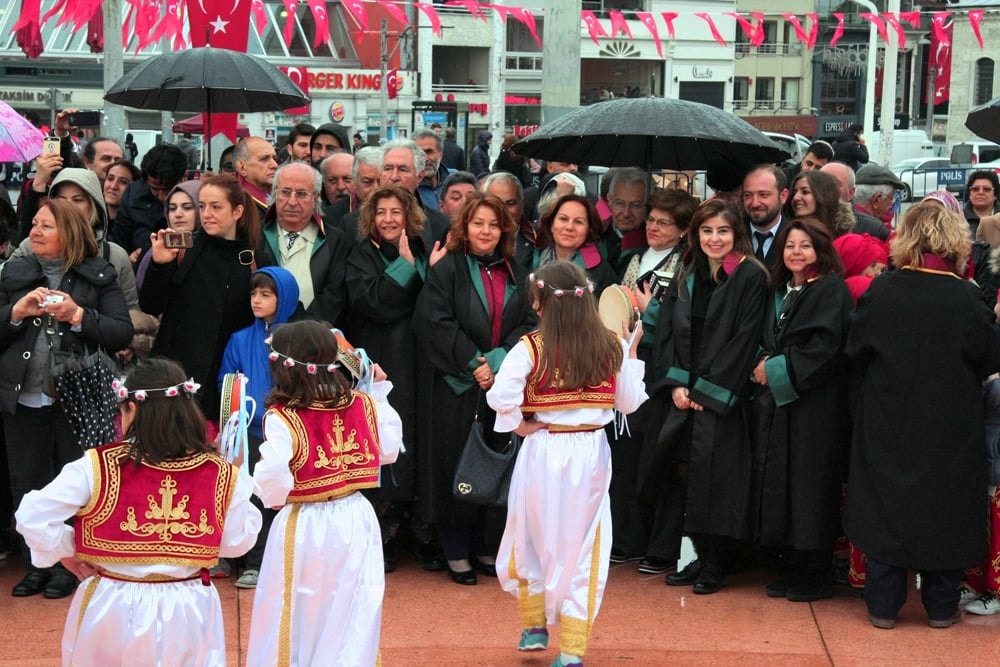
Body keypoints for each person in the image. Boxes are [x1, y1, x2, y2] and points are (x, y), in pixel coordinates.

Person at [14, 358, 261, 665]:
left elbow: (31, 515)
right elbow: (237, 542)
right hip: (188, 607)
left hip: (111, 604)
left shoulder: (97, 466)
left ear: (132, 408)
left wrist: (68, 550)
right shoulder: (221, 473)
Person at [844, 203, 1000, 629]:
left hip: (889, 415)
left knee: (885, 507)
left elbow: (856, 350)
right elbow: (989, 357)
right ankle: (942, 607)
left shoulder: (884, 290)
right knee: (945, 511)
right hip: (950, 423)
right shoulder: (967, 297)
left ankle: (882, 605)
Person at [486, 261, 647, 667]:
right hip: (590, 456)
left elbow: (500, 396)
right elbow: (627, 403)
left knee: (531, 535)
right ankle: (572, 649)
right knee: (584, 546)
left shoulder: (530, 347)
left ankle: (535, 627)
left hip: (542, 448)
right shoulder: (610, 346)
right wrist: (632, 352)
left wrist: (518, 425)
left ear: (540, 302)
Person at [246, 321, 401, 667]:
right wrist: (379, 391)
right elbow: (389, 450)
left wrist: (268, 494)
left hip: (304, 524)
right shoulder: (363, 404)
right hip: (357, 518)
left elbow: (272, 480)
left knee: (296, 610)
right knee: (351, 609)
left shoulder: (283, 417)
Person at [0, 198, 134, 599]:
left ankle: (69, 567)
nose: (35, 232)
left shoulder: (99, 276)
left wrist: (78, 315)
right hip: (22, 397)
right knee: (27, 482)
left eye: (46, 226)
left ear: (70, 233)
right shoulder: (14, 274)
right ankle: (36, 562)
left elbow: (121, 333)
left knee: (73, 484)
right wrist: (15, 314)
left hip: (79, 399)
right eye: (35, 225)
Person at [412, 193, 537, 585]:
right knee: (457, 462)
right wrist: (475, 364)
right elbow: (435, 321)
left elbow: (529, 321)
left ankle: (487, 545)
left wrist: (498, 362)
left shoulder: (517, 270)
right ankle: (455, 549)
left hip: (503, 384)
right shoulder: (448, 269)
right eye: (478, 223)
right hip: (455, 385)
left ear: (505, 230)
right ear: (464, 227)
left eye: (494, 224)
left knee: (498, 462)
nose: (485, 231)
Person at [645, 199, 768, 595]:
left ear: (737, 235)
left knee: (720, 479)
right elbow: (667, 329)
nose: (714, 239)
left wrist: (706, 391)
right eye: (707, 231)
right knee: (685, 475)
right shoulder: (688, 269)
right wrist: (677, 384)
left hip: (722, 396)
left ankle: (717, 562)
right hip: (685, 390)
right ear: (695, 234)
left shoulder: (749, 276)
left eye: (723, 231)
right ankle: (697, 555)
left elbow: (745, 340)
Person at [749, 218, 853, 602]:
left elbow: (825, 350)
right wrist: (759, 360)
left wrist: (772, 369)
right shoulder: (782, 290)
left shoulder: (830, 290)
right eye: (790, 245)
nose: (796, 252)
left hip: (815, 409)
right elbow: (763, 337)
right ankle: (794, 569)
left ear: (820, 251)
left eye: (805, 246)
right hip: (783, 406)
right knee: (787, 486)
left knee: (811, 489)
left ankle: (815, 575)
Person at [345, 184, 447, 572]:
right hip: (384, 360)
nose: (388, 219)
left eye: (396, 212)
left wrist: (431, 275)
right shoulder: (360, 255)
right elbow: (372, 303)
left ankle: (419, 527)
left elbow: (432, 303)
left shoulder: (423, 250)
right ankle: (385, 528)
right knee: (386, 440)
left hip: (421, 360)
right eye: (381, 212)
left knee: (420, 439)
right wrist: (403, 269)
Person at [614, 187, 698, 574]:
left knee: (660, 459)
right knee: (626, 454)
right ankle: (629, 538)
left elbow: (684, 322)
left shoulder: (687, 265)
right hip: (625, 362)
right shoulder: (632, 257)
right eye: (651, 220)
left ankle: (660, 546)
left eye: (664, 223)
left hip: (662, 370)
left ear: (683, 230)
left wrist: (651, 312)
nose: (653, 227)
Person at [139, 174, 258, 424]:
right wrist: (159, 265)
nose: (207, 214)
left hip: (225, 380)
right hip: (175, 376)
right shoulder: (182, 246)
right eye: (202, 206)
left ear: (237, 211)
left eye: (216, 207)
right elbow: (151, 304)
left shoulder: (251, 258)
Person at [217, 266, 301, 589]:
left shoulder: (298, 338)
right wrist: (241, 411)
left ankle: (271, 561)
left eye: (266, 294)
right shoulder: (239, 339)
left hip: (287, 431)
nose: (256, 300)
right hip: (249, 431)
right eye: (254, 293)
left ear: (285, 298)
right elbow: (227, 382)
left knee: (279, 496)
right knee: (249, 494)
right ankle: (247, 558)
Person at [256, 162, 350, 326]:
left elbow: (334, 295)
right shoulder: (256, 234)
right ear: (275, 194)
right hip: (261, 330)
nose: (292, 202)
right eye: (285, 192)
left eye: (301, 194)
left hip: (315, 335)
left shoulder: (335, 239)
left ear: (315, 198)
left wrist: (302, 329)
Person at [109, 143, 188, 255]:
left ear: (184, 177)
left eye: (168, 189)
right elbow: (119, 241)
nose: (162, 196)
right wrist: (128, 259)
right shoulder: (133, 194)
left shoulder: (195, 198)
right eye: (154, 189)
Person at [533, 193, 617, 295]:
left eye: (578, 222)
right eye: (563, 219)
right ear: (551, 224)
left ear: (589, 230)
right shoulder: (535, 259)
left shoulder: (600, 273)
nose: (569, 227)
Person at [820, 161, 890, 240]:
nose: (825, 188)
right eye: (820, 182)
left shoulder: (875, 230)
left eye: (835, 183)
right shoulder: (805, 221)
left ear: (851, 192)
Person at [743, 164, 790, 270]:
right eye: (748, 195)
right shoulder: (732, 233)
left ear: (783, 196)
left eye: (763, 195)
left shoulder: (795, 235)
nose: (755, 203)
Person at [783, 170, 854, 238]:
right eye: (794, 193)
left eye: (805, 192)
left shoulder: (844, 240)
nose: (796, 197)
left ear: (823, 195)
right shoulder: (783, 232)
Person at [234, 136, 278, 219]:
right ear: (242, 167)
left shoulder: (281, 196)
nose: (275, 165)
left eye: (274, 158)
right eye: (264, 159)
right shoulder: (236, 206)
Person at [413, 128, 450, 211]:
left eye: (429, 152)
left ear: (440, 155)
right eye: (420, 153)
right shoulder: (409, 186)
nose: (425, 158)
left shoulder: (454, 179)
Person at [963, 170, 1000, 239]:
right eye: (975, 189)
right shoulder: (960, 219)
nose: (980, 192)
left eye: (986, 189)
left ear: (995, 195)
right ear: (969, 194)